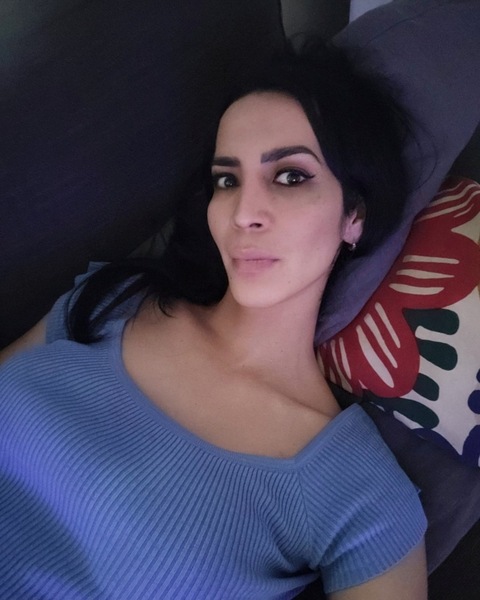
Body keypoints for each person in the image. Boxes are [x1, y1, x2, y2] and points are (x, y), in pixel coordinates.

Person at [0, 40, 427, 599]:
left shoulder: (356, 492)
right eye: (228, 180)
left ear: (355, 215)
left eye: (290, 176)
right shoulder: (116, 298)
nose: (243, 213)